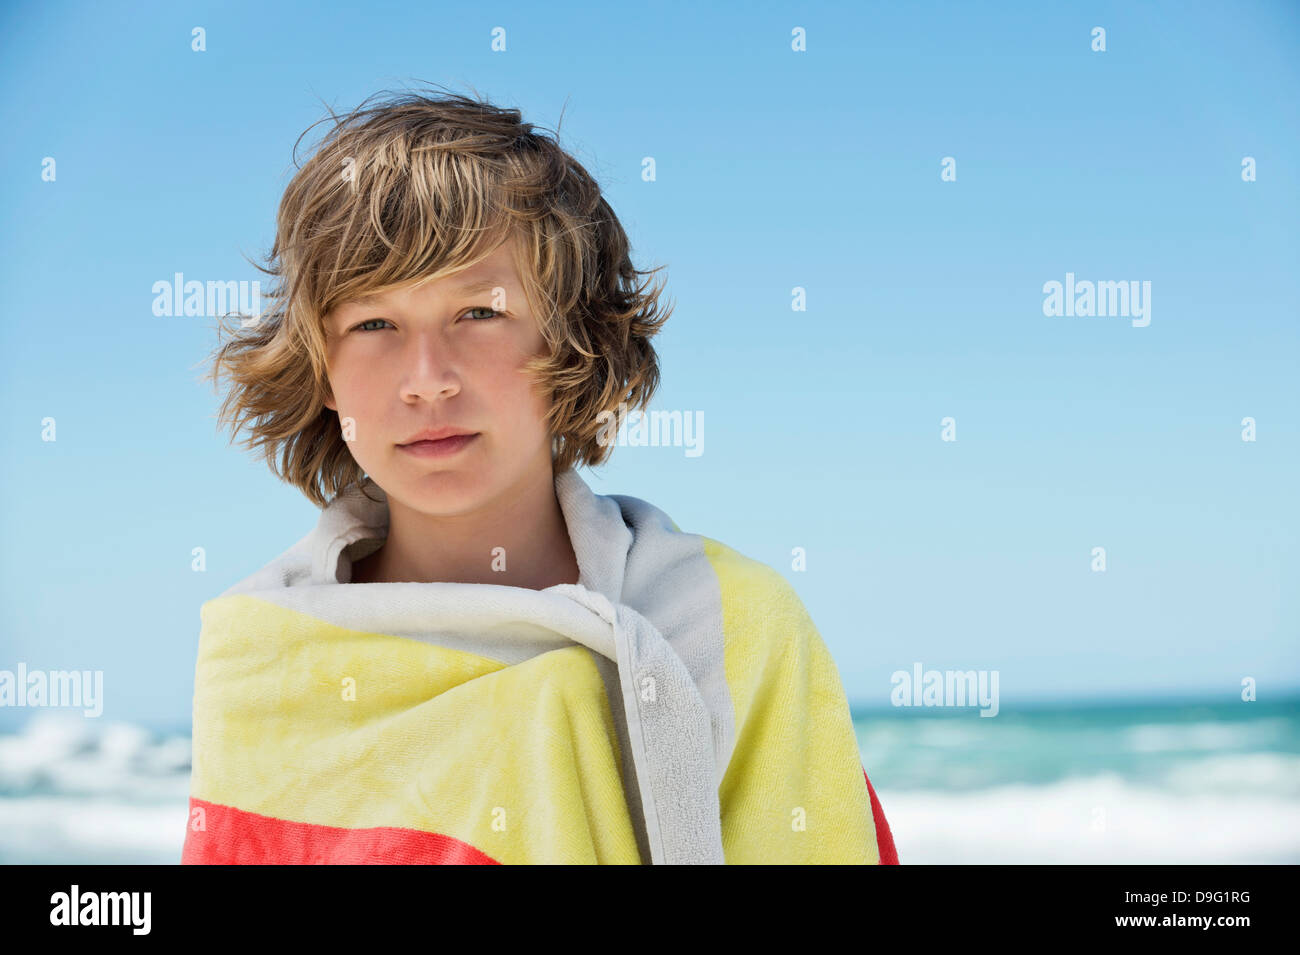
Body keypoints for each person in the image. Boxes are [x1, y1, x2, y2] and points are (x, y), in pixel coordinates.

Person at [190, 85, 897, 865]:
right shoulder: (263, 653)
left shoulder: (728, 622)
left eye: (480, 312)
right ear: (322, 368)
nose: (427, 379)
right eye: (373, 324)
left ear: (569, 340)